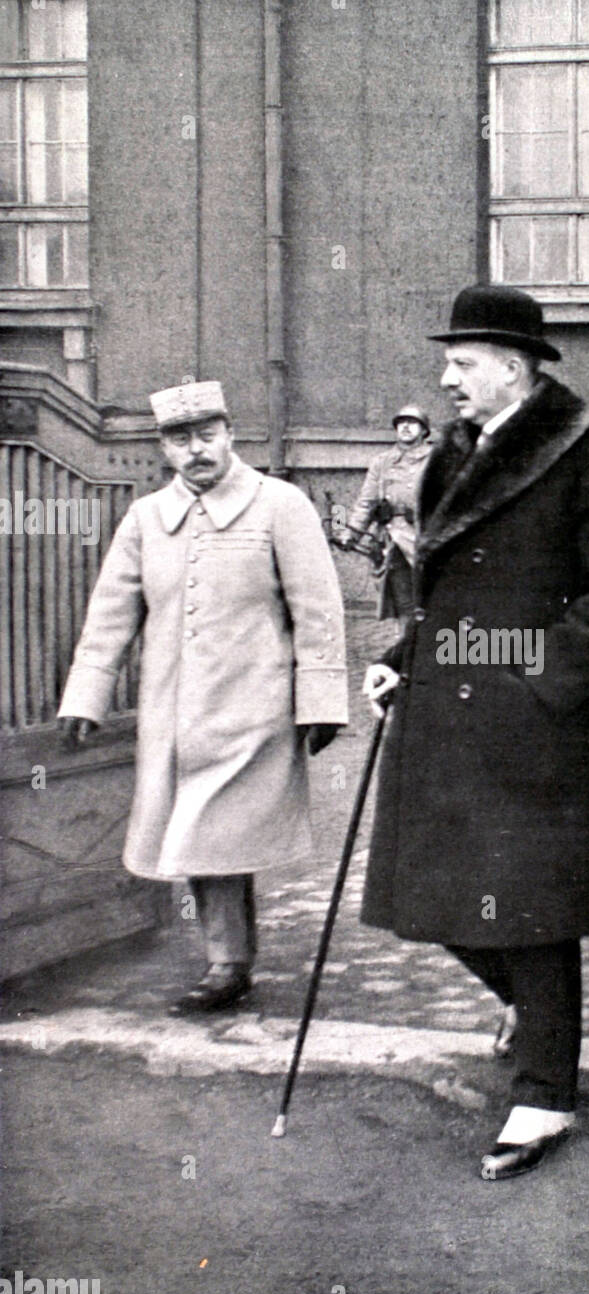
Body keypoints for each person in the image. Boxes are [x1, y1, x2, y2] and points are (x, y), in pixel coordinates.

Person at [360, 285, 589, 1180]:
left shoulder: (588, 457)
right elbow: (439, 588)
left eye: (463, 364)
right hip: (445, 709)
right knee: (434, 890)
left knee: (532, 911)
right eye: (448, 363)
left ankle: (545, 1094)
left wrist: (542, 679)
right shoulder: (456, 451)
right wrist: (401, 658)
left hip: (532, 726)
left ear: (516, 369)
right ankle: (540, 1018)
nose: (446, 379)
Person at [57, 381, 348, 1014]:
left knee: (211, 835)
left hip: (253, 709)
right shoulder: (145, 519)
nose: (196, 451)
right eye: (181, 440)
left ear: (230, 434)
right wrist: (86, 697)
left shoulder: (281, 505)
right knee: (199, 840)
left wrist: (321, 701)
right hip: (173, 715)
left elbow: (317, 610)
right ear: (165, 447)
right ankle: (230, 960)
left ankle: (227, 963)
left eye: (207, 435)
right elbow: (111, 615)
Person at [338, 404, 432, 620]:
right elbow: (366, 502)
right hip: (393, 540)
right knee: (403, 603)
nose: (406, 427)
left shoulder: (435, 459)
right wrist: (350, 533)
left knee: (430, 599)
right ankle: (406, 647)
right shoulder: (382, 462)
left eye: (412, 422)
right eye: (401, 423)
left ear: (424, 430)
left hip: (426, 538)